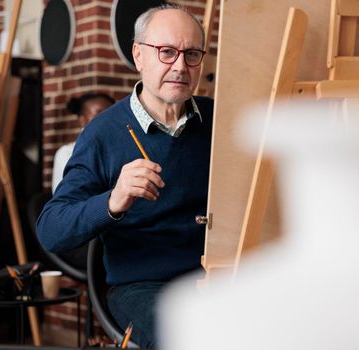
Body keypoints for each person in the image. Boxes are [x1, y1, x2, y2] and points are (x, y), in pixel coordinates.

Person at [37, 4, 212, 348]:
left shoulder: (217, 119)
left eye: (192, 54)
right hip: (142, 286)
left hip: (215, 277)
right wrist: (113, 200)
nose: (180, 66)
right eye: (166, 52)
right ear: (138, 55)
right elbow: (51, 229)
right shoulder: (103, 133)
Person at [52, 92, 115, 193]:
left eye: (111, 113)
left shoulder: (117, 147)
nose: (107, 119)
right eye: (99, 114)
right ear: (82, 120)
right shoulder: (67, 153)